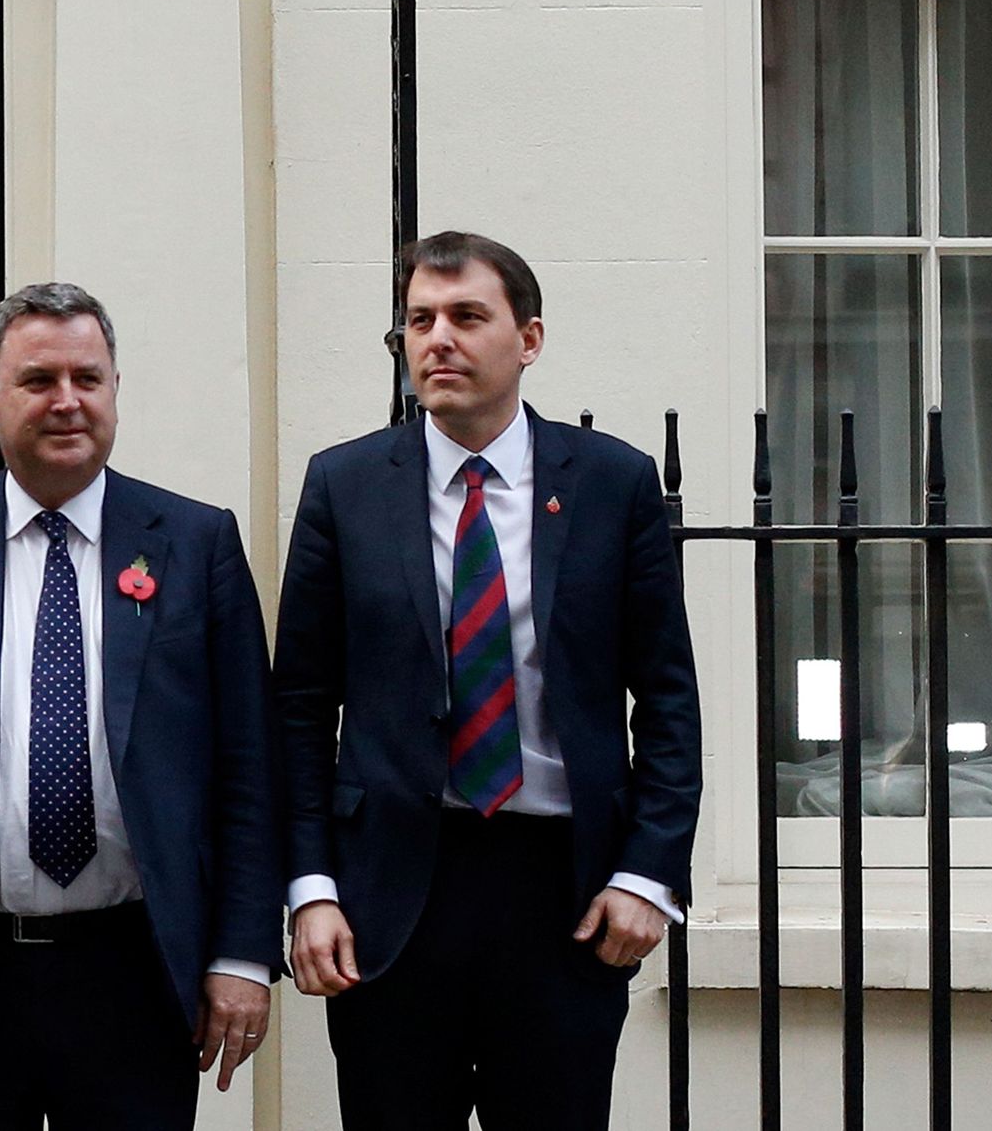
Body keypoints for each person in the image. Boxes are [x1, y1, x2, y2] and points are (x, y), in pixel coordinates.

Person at [272, 232, 702, 1129]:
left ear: (528, 339)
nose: (438, 340)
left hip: (564, 896)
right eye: (418, 321)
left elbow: (665, 700)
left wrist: (647, 876)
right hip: (392, 892)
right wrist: (308, 886)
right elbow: (300, 709)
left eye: (467, 317)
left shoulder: (611, 485)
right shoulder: (344, 485)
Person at [0, 283, 278, 1129]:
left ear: (115, 390)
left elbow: (246, 769)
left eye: (89, 378)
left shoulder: (196, 542)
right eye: (38, 380)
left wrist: (243, 953)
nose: (67, 402)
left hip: (135, 974)